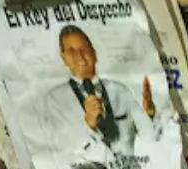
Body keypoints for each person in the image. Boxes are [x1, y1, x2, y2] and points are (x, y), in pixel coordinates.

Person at [41, 27, 164, 160]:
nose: (80, 56)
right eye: (71, 51)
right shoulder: (54, 100)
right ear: (64, 58)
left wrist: (150, 111)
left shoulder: (120, 90)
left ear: (94, 53)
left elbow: (151, 136)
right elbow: (63, 150)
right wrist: (88, 125)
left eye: (84, 49)